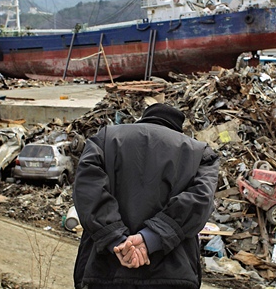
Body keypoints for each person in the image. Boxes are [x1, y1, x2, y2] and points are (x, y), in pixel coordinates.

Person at [73, 103, 219, 289]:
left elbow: (88, 190)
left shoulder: (104, 138)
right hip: (173, 275)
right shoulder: (200, 153)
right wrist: (151, 238)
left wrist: (116, 239)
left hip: (103, 270)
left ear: (144, 117)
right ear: (178, 128)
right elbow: (200, 201)